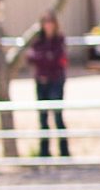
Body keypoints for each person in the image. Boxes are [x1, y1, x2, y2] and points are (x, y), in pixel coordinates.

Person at [27, 11, 69, 158]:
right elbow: (31, 57)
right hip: (41, 81)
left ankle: (64, 152)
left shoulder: (59, 40)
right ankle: (44, 152)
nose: (49, 25)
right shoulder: (38, 41)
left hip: (56, 80)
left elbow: (59, 60)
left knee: (58, 116)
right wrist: (46, 59)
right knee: (42, 117)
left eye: (51, 22)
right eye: (46, 22)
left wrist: (44, 60)